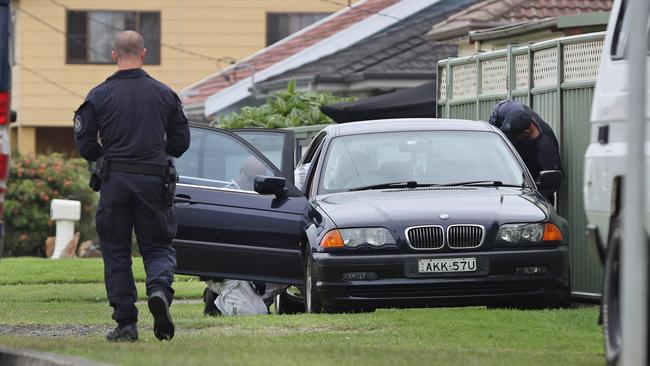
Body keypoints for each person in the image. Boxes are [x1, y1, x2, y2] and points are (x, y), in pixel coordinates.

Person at [73, 31, 190, 342]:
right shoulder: (165, 94)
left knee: (115, 251)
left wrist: (105, 157)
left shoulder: (99, 95)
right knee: (158, 246)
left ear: (114, 55)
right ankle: (159, 291)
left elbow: (85, 143)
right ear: (144, 53)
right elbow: (181, 143)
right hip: (154, 181)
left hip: (115, 182)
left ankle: (126, 324)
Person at [497, 106, 562, 204]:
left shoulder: (546, 149)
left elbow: (551, 183)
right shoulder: (520, 117)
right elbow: (501, 108)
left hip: (534, 197)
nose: (511, 140)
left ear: (526, 132)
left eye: (513, 137)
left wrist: (532, 198)